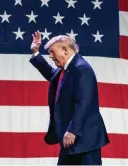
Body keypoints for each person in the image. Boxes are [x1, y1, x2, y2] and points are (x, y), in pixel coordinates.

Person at [29, 31, 110, 165]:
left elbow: (84, 103)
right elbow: (51, 74)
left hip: (84, 138)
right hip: (71, 138)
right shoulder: (67, 69)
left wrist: (72, 130)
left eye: (52, 52)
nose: (50, 56)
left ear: (65, 50)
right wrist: (35, 52)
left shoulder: (81, 68)